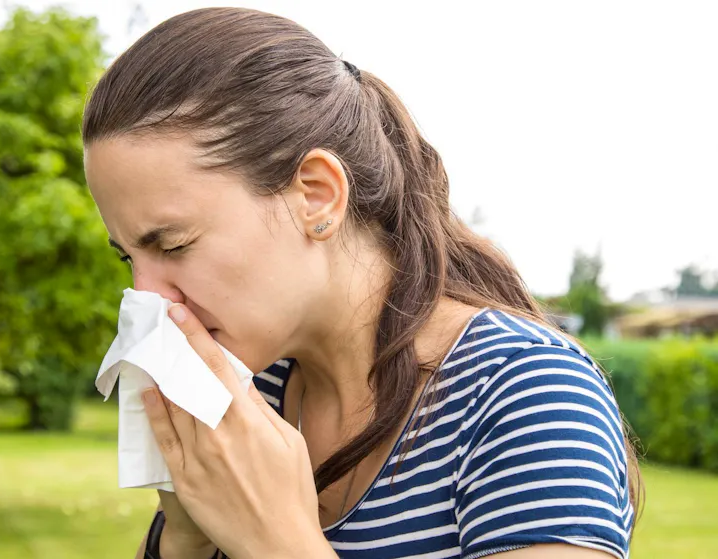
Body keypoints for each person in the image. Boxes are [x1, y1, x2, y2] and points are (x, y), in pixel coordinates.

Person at [82, 7, 639, 559]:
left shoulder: (525, 393)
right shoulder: (253, 392)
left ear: (317, 195)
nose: (148, 296)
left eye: (173, 245)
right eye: (127, 257)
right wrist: (185, 537)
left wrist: (277, 543)